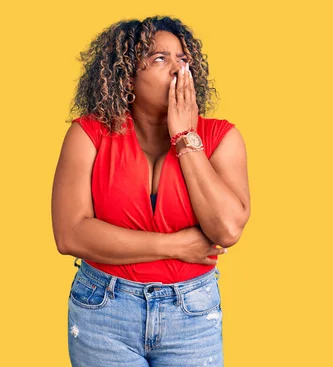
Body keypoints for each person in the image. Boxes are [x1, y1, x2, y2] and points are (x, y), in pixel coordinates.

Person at [51, 15, 250, 366]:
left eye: (183, 60)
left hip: (191, 312)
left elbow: (227, 230)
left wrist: (185, 138)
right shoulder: (88, 134)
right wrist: (175, 245)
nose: (178, 70)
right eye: (160, 59)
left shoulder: (222, 138)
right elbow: (70, 235)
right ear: (126, 74)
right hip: (103, 309)